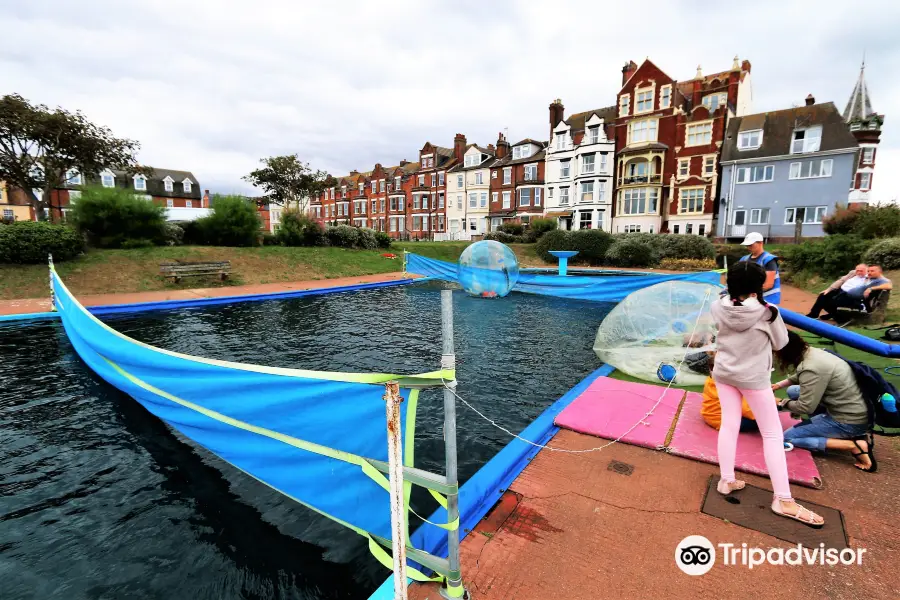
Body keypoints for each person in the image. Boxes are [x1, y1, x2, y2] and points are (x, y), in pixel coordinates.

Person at [711, 261, 823, 527]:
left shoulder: (717, 305)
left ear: (729, 282)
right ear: (759, 286)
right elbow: (781, 342)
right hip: (753, 378)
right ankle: (782, 499)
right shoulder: (768, 312)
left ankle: (726, 480)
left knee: (729, 425)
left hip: (724, 372)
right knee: (772, 434)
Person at [772, 332, 876, 472]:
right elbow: (802, 375)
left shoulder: (811, 368)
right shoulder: (813, 352)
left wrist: (779, 403)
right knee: (793, 390)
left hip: (848, 421)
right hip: (858, 408)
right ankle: (845, 430)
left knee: (788, 437)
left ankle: (854, 445)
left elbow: (805, 407)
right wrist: (778, 385)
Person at [819, 265, 893, 321]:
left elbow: (889, 285)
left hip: (855, 301)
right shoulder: (871, 278)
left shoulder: (881, 280)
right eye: (869, 271)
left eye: (872, 271)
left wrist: (871, 288)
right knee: (825, 298)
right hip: (848, 296)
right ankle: (835, 316)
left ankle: (838, 317)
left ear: (879, 272)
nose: (869, 273)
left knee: (827, 302)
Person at [738, 232, 781, 304]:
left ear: (760, 243)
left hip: (767, 300)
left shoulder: (769, 260)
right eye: (747, 245)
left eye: (751, 245)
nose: (748, 247)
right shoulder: (744, 259)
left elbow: (768, 284)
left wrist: (747, 293)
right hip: (749, 299)